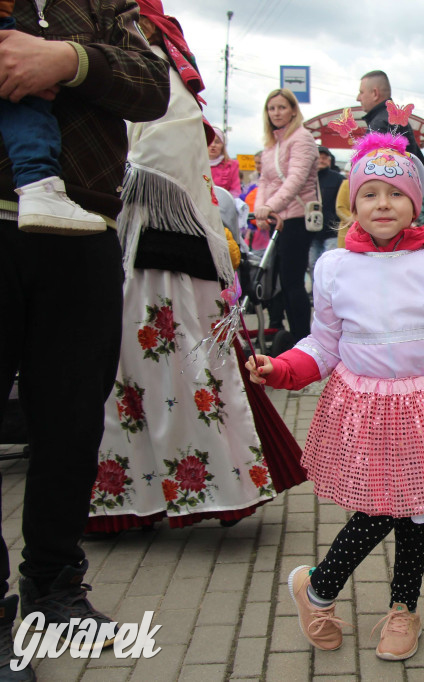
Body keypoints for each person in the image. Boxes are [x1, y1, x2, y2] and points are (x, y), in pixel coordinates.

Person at [244, 131, 424, 662]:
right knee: (386, 508)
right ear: (354, 203)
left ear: (415, 200)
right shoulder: (337, 267)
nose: (382, 204)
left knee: (416, 512)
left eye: (394, 193)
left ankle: (396, 608)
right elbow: (323, 343)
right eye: (369, 194)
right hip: (364, 411)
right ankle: (319, 587)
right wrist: (283, 367)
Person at [84, 0, 302, 534]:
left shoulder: (142, 43)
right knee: (143, 366)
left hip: (154, 245)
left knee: (162, 360)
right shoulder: (125, 39)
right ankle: (150, 491)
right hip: (145, 240)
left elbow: (165, 147)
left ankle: (187, 489)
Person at [0, 0, 170, 676]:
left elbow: (152, 85)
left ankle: (53, 588)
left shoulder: (101, 4)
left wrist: (68, 60)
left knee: (72, 419)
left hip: (82, 229)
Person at [0, 1, 106, 236]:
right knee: (24, 98)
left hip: (95, 212)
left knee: (23, 95)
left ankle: (39, 185)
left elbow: (154, 87)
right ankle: (39, 184)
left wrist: (70, 60)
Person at [255, 88, 318, 340]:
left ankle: (303, 337)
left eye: (282, 107)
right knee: (282, 280)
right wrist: (261, 212)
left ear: (293, 110)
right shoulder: (272, 145)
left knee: (293, 281)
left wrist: (269, 207)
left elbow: (296, 179)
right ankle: (293, 337)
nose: (276, 113)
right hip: (278, 219)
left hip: (297, 218)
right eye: (272, 108)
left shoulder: (301, 138)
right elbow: (263, 181)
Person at [356, 70, 424, 169]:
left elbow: (369, 168)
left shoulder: (380, 123)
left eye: (361, 92)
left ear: (375, 93)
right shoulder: (394, 119)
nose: (358, 98)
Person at [308, 145, 343, 278]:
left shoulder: (338, 179)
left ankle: (331, 292)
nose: (321, 160)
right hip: (311, 231)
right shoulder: (306, 179)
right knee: (312, 263)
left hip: (331, 230)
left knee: (331, 265)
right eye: (318, 158)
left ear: (329, 160)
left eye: (324, 158)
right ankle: (316, 292)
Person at [208, 126, 241, 197]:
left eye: (217, 142)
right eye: (209, 141)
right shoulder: (196, 164)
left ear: (223, 145)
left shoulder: (232, 165)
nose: (213, 145)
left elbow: (235, 191)